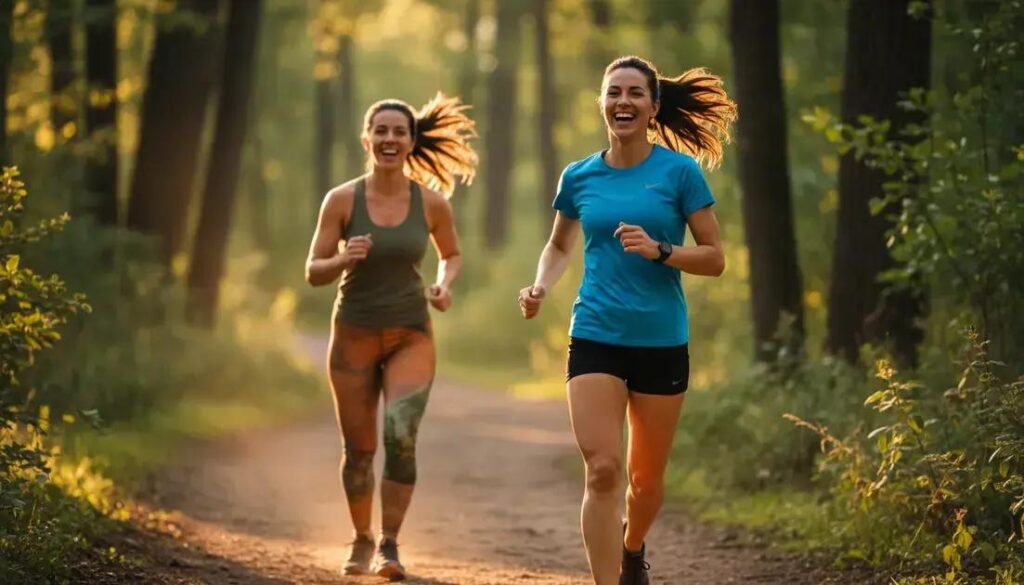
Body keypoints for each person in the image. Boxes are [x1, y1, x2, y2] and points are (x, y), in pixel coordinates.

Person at [518, 55, 736, 585]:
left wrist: (662, 251)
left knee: (645, 480)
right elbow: (558, 244)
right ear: (601, 103)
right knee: (604, 470)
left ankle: (632, 546)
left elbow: (714, 257)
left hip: (661, 340)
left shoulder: (679, 173)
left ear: (653, 107)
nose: (623, 101)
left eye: (635, 93)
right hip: (595, 333)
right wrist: (542, 284)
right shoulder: (579, 176)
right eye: (614, 92)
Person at [305, 93, 477, 581]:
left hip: (410, 333)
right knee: (358, 451)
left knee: (400, 436)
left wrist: (444, 284)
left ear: (411, 141)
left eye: (398, 131)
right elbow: (313, 271)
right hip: (353, 333)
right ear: (367, 139)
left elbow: (453, 254)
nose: (389, 139)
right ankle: (360, 538)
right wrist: (343, 258)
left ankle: (389, 545)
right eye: (380, 131)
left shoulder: (431, 202)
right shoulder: (341, 200)